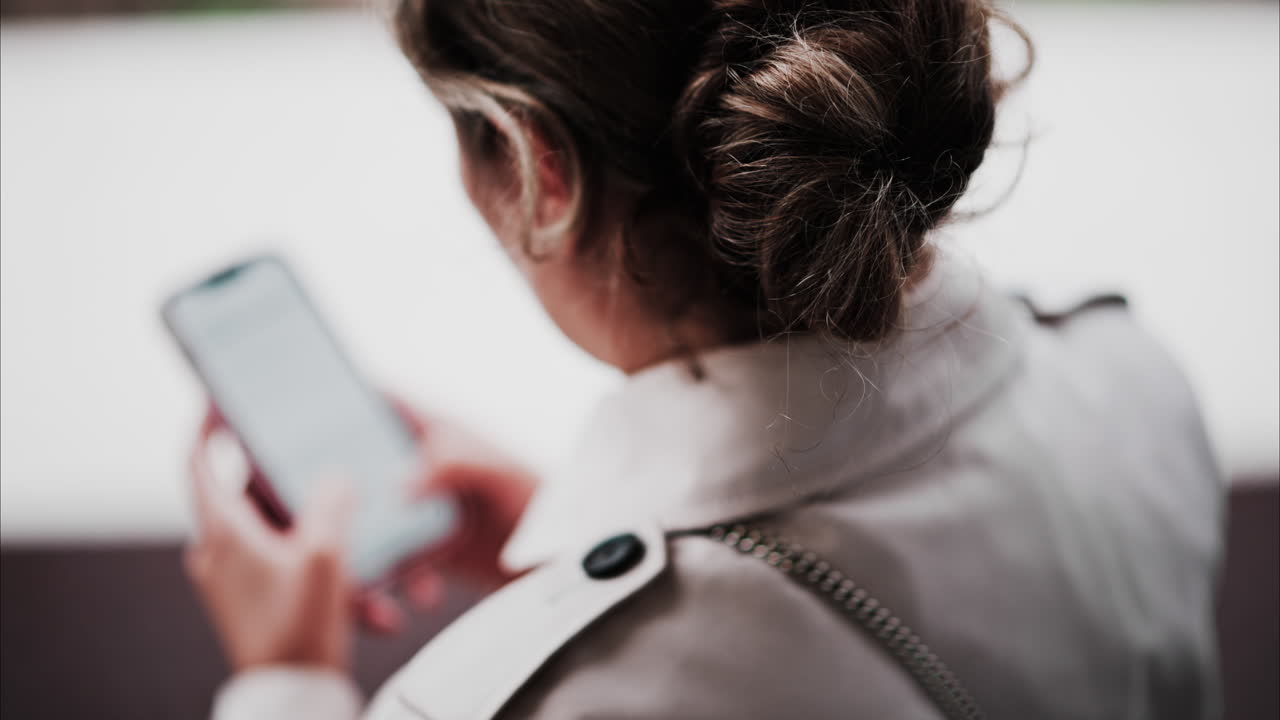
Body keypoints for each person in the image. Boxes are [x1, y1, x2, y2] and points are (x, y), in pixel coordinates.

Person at [188, 1, 1225, 718]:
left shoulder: (516, 702)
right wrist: (569, 565)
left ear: (541, 172)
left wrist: (286, 680)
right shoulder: (1133, 382)